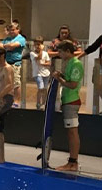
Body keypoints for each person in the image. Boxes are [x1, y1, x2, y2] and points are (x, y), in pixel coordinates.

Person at [52, 40, 84, 172]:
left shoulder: (76, 64)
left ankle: (73, 162)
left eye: (60, 52)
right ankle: (72, 161)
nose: (59, 54)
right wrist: (61, 75)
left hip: (72, 101)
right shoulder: (69, 63)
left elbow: (73, 84)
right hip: (67, 100)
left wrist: (59, 79)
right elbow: (69, 79)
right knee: (70, 132)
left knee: (72, 132)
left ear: (67, 51)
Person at [0, 22, 26, 106]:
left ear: (18, 30)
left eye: (13, 30)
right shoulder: (7, 38)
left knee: (16, 83)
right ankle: (6, 100)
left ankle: (16, 101)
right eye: (10, 30)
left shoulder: (21, 38)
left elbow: (12, 46)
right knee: (5, 83)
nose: (11, 32)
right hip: (6, 63)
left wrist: (6, 46)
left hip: (15, 64)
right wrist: (7, 45)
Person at [30, 36, 52, 110]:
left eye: (39, 44)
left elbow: (49, 63)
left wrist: (43, 64)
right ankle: (38, 103)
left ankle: (44, 103)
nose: (37, 46)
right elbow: (38, 58)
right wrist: (41, 51)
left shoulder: (45, 54)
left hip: (46, 73)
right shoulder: (32, 53)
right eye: (36, 44)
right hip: (37, 73)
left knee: (45, 89)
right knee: (41, 88)